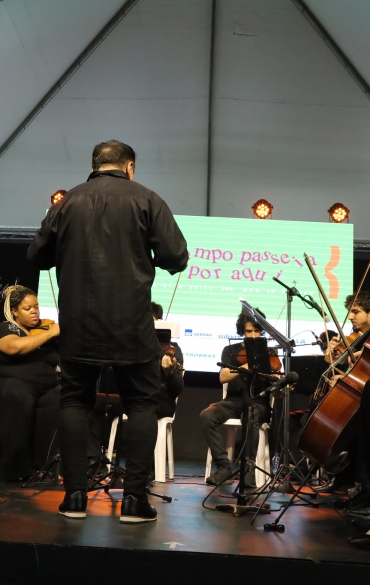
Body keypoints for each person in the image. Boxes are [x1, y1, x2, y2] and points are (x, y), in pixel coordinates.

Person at [28, 140, 188, 522]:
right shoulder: (147, 199)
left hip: (78, 323)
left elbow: (36, 256)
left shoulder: (66, 202)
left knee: (74, 402)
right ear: (129, 167)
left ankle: (74, 499)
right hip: (131, 322)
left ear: (94, 165)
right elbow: (176, 256)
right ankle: (133, 501)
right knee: (143, 404)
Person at [200, 310, 272, 487]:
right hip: (233, 401)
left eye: (257, 331)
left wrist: (279, 386)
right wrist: (249, 363)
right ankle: (224, 467)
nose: (254, 335)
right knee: (206, 416)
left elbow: (274, 389)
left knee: (251, 412)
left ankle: (248, 469)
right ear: (242, 332)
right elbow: (223, 376)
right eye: (249, 332)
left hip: (258, 402)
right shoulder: (231, 350)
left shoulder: (269, 352)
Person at [0, 285, 60, 481]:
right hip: (16, 383)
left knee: (61, 398)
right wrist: (50, 333)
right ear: (15, 312)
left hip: (46, 387)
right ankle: (15, 468)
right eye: (28, 308)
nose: (35, 311)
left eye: (36, 306)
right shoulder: (8, 327)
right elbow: (13, 348)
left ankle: (46, 467)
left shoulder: (44, 328)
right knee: (16, 395)